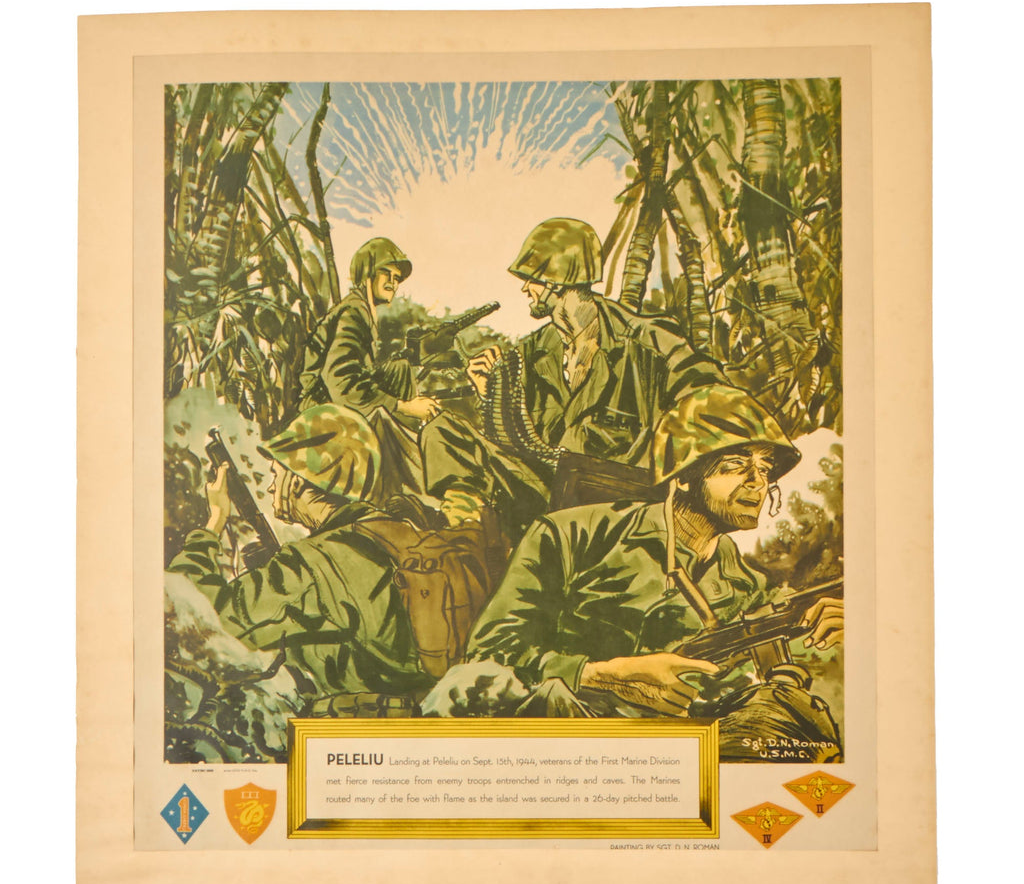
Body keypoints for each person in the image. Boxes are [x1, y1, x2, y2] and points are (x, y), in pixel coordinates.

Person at [425, 385, 843, 762]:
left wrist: (823, 636)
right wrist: (605, 675)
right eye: (735, 465)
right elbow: (491, 651)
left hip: (664, 747)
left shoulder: (747, 584)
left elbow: (764, 680)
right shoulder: (574, 534)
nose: (758, 482)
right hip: (561, 730)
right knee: (470, 684)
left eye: (764, 468)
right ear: (683, 477)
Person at [420, 217, 724, 532]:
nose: (525, 288)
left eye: (531, 279)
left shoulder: (647, 341)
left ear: (556, 280)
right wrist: (489, 395)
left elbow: (712, 394)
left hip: (618, 501)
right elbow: (514, 444)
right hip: (549, 491)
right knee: (442, 430)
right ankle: (464, 535)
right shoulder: (532, 352)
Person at [166, 404, 434, 718]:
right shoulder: (399, 532)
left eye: (276, 474)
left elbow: (192, 616)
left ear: (296, 480)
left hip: (349, 725)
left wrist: (213, 523)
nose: (271, 486)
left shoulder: (311, 563)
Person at [298, 237, 439, 498]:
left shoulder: (360, 308)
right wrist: (404, 406)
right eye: (386, 273)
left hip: (333, 400)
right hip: (321, 409)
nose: (393, 283)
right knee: (397, 381)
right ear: (367, 274)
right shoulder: (354, 312)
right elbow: (341, 380)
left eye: (397, 278)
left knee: (400, 368)